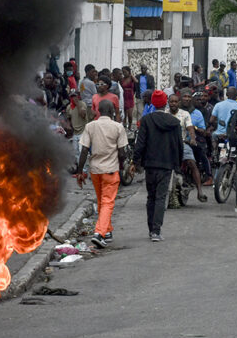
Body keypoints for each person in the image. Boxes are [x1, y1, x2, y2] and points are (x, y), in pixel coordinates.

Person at [131, 90, 183, 242]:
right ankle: (156, 231)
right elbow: (179, 145)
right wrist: (178, 164)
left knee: (151, 197)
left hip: (150, 165)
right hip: (167, 165)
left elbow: (140, 144)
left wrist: (135, 161)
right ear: (165, 103)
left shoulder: (147, 120)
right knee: (161, 197)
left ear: (152, 103)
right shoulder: (175, 122)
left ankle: (150, 229)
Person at [76, 100, 127, 248]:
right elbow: (122, 153)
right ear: (112, 111)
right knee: (107, 202)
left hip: (95, 170)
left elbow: (84, 150)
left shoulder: (90, 126)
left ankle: (108, 230)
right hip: (110, 170)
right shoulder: (118, 127)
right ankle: (99, 233)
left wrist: (79, 171)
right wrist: (122, 166)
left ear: (98, 111)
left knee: (101, 201)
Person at [167, 93, 207, 202]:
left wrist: (193, 139)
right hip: (167, 144)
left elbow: (190, 128)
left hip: (182, 143)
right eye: (172, 101)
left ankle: (200, 192)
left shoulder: (185, 114)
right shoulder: (165, 114)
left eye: (176, 102)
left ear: (178, 103)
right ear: (168, 102)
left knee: (192, 163)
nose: (174, 104)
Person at [181, 90, 211, 185]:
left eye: (189, 97)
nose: (187, 99)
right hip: (178, 139)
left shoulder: (198, 113)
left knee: (201, 151)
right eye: (184, 96)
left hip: (194, 139)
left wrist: (194, 128)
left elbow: (203, 130)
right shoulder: (176, 111)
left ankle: (209, 175)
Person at [67, 90, 88, 164]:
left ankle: (84, 170)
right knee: (75, 152)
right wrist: (69, 126)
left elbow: (83, 115)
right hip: (75, 133)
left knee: (82, 151)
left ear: (78, 96)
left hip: (83, 131)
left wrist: (77, 104)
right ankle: (78, 169)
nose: (74, 98)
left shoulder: (83, 104)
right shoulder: (69, 107)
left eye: (75, 96)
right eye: (72, 96)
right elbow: (68, 118)